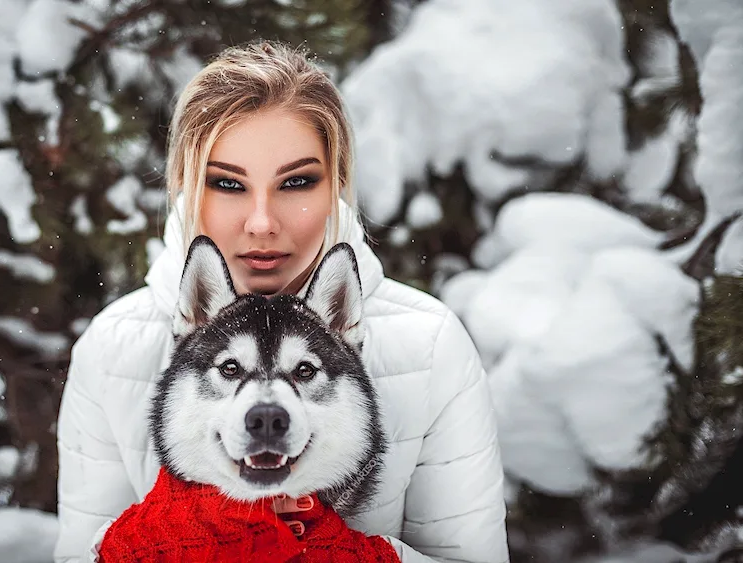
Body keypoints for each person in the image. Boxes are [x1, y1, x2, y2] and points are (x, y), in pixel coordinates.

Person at [54, 39, 510, 563]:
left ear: (335, 185)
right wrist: (150, 546)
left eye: (296, 182)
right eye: (227, 184)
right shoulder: (114, 348)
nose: (263, 222)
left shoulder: (428, 346)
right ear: (185, 188)